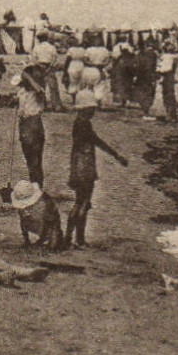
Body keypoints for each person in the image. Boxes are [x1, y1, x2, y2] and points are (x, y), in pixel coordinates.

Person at [66, 90, 127, 249]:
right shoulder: (84, 125)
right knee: (84, 203)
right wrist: (116, 155)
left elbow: (79, 148)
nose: (93, 111)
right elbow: (96, 142)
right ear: (85, 108)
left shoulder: (79, 123)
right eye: (91, 108)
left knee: (79, 202)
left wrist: (73, 170)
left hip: (79, 166)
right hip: (86, 166)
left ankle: (69, 237)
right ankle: (79, 239)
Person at [15, 63, 48, 186]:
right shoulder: (23, 92)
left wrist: (28, 77)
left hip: (34, 125)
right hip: (24, 124)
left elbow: (39, 90)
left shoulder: (38, 92)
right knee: (29, 158)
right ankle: (34, 184)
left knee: (35, 159)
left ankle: (37, 186)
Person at [11, 179, 65, 251]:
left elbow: (50, 222)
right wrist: (27, 241)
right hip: (36, 223)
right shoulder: (22, 209)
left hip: (50, 225)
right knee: (25, 219)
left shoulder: (44, 203)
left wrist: (41, 241)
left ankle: (49, 240)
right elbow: (22, 221)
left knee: (53, 247)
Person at [134, 42, 159, 119]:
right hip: (149, 76)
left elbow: (136, 65)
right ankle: (146, 110)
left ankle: (144, 110)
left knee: (141, 92)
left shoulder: (139, 54)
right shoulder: (154, 54)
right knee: (149, 93)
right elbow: (154, 66)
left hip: (141, 75)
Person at [157, 40, 178, 122]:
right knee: (170, 95)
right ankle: (172, 114)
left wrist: (158, 71)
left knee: (167, 95)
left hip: (167, 77)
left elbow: (165, 69)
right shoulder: (175, 57)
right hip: (170, 77)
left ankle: (170, 114)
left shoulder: (167, 57)